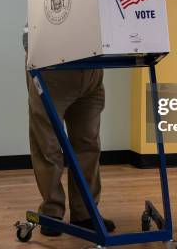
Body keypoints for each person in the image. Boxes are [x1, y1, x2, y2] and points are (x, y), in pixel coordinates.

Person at [23, 24, 115, 236]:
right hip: (51, 60)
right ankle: (52, 212)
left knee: (88, 142)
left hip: (91, 63)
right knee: (48, 144)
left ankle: (84, 213)